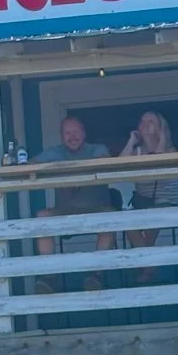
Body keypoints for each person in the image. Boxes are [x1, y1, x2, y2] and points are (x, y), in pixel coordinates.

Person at [31, 116, 115, 292]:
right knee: (42, 217)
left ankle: (96, 275)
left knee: (111, 217)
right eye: (67, 133)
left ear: (84, 134)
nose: (72, 136)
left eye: (76, 132)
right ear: (62, 136)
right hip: (64, 210)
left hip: (96, 208)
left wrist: (64, 169)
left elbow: (104, 161)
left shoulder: (97, 148)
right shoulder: (55, 151)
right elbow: (31, 164)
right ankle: (49, 278)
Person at [119, 110, 178, 286]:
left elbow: (159, 166)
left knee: (153, 217)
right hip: (143, 204)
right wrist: (131, 141)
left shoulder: (170, 150)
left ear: (161, 128)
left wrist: (161, 139)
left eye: (151, 121)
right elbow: (118, 165)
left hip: (168, 204)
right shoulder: (138, 151)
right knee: (124, 220)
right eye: (142, 121)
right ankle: (150, 265)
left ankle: (147, 266)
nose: (145, 124)